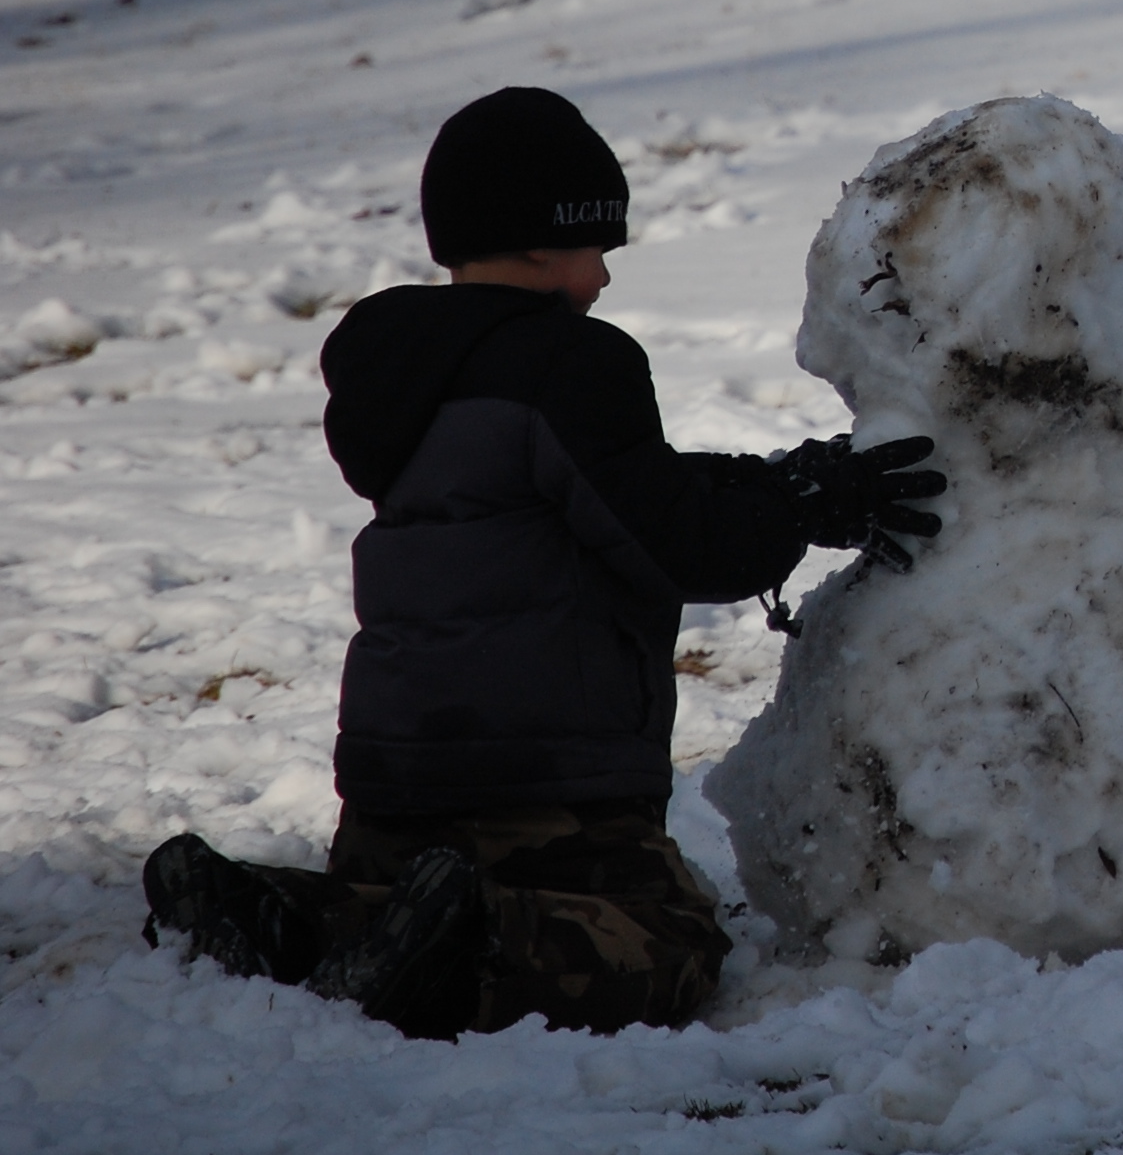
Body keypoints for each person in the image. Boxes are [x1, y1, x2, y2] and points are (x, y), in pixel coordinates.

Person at [139, 87, 947, 1039]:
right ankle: (470, 952)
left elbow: (597, 492)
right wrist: (803, 510)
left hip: (392, 790)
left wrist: (768, 482)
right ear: (539, 242)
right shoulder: (572, 364)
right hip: (545, 789)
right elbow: (672, 539)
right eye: (597, 247)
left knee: (386, 907)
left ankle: (286, 919)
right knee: (663, 944)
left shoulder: (404, 375)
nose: (604, 276)